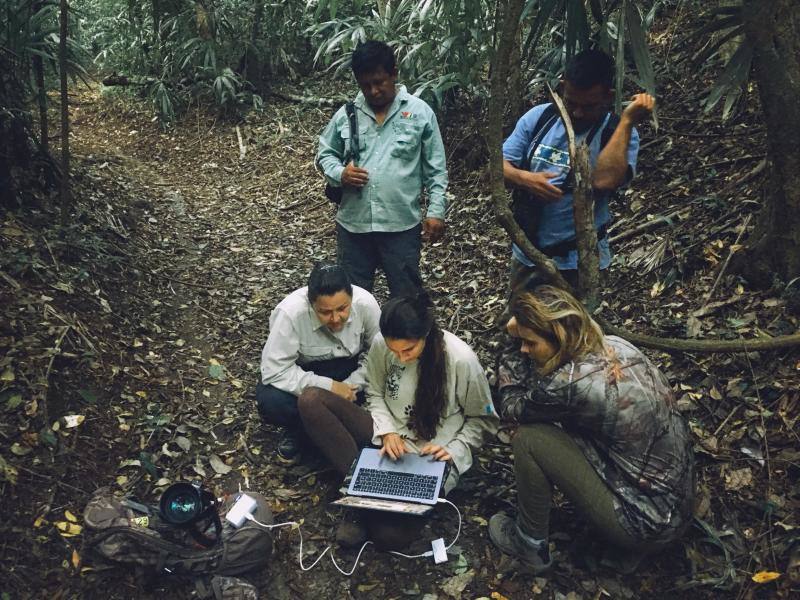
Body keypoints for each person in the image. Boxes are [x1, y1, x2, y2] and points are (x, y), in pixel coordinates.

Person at [489, 285, 694, 573]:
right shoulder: (615, 345)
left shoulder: (570, 383)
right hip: (675, 504)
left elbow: (512, 408)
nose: (524, 349)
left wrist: (510, 343)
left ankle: (528, 543)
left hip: (643, 523)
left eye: (530, 342)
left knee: (529, 439)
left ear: (559, 337)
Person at [297, 291, 498, 550]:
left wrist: (454, 449)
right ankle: (359, 489)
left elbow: (484, 420)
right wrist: (387, 431)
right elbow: (376, 393)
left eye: (408, 350)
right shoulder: (383, 344)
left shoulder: (460, 359)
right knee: (312, 400)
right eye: (395, 350)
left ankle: (367, 503)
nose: (401, 357)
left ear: (425, 335)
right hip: (388, 433)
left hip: (432, 452)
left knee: (390, 536)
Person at [503, 49, 655, 290]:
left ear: (608, 96)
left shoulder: (618, 133)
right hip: (529, 254)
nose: (577, 113)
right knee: (519, 325)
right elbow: (498, 167)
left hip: (580, 261)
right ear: (562, 87)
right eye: (571, 102)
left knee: (575, 328)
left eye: (589, 106)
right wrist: (524, 178)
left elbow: (604, 181)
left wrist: (627, 121)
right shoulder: (539, 118)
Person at [316, 40, 448, 298]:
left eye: (379, 82)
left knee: (408, 297)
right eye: (365, 85)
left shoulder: (420, 113)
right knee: (352, 299)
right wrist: (340, 174)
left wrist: (436, 211)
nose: (374, 91)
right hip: (354, 226)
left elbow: (436, 168)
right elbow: (325, 153)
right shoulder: (347, 114)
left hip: (401, 226)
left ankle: (412, 338)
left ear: (393, 74)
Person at [256, 263, 380, 463]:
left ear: (351, 298)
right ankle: (299, 431)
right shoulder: (290, 313)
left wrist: (352, 385)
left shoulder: (366, 304)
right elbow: (274, 370)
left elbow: (379, 354)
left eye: (342, 309)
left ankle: (350, 423)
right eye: (325, 312)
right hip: (307, 373)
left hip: (351, 370)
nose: (336, 318)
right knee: (272, 400)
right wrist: (329, 387)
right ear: (311, 304)